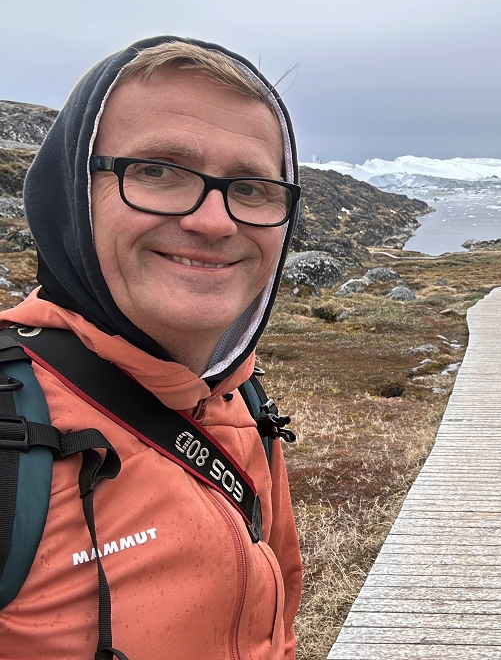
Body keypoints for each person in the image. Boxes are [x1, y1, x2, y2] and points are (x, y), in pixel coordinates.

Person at [0, 37, 303, 659]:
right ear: (71, 197)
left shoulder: (239, 397)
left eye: (251, 188)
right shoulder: (12, 429)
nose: (215, 222)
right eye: (157, 171)